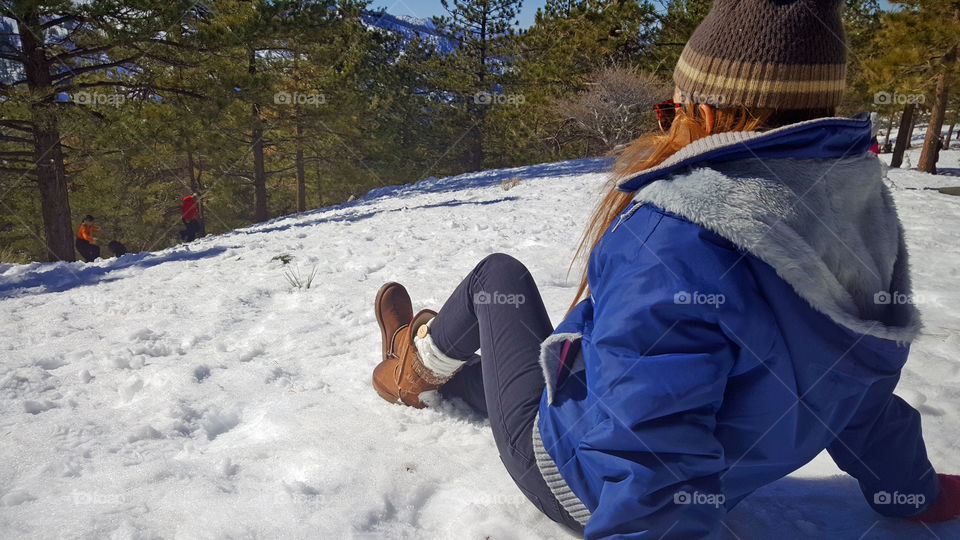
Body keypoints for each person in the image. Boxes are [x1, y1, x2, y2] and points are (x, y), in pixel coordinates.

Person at [369, 0, 960, 537]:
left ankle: (410, 365)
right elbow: (856, 387)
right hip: (669, 455)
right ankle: (438, 374)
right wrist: (911, 489)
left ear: (705, 109)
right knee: (491, 374)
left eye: (672, 108)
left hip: (576, 482)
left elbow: (649, 452)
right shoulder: (857, 216)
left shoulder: (677, 240)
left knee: (497, 278)